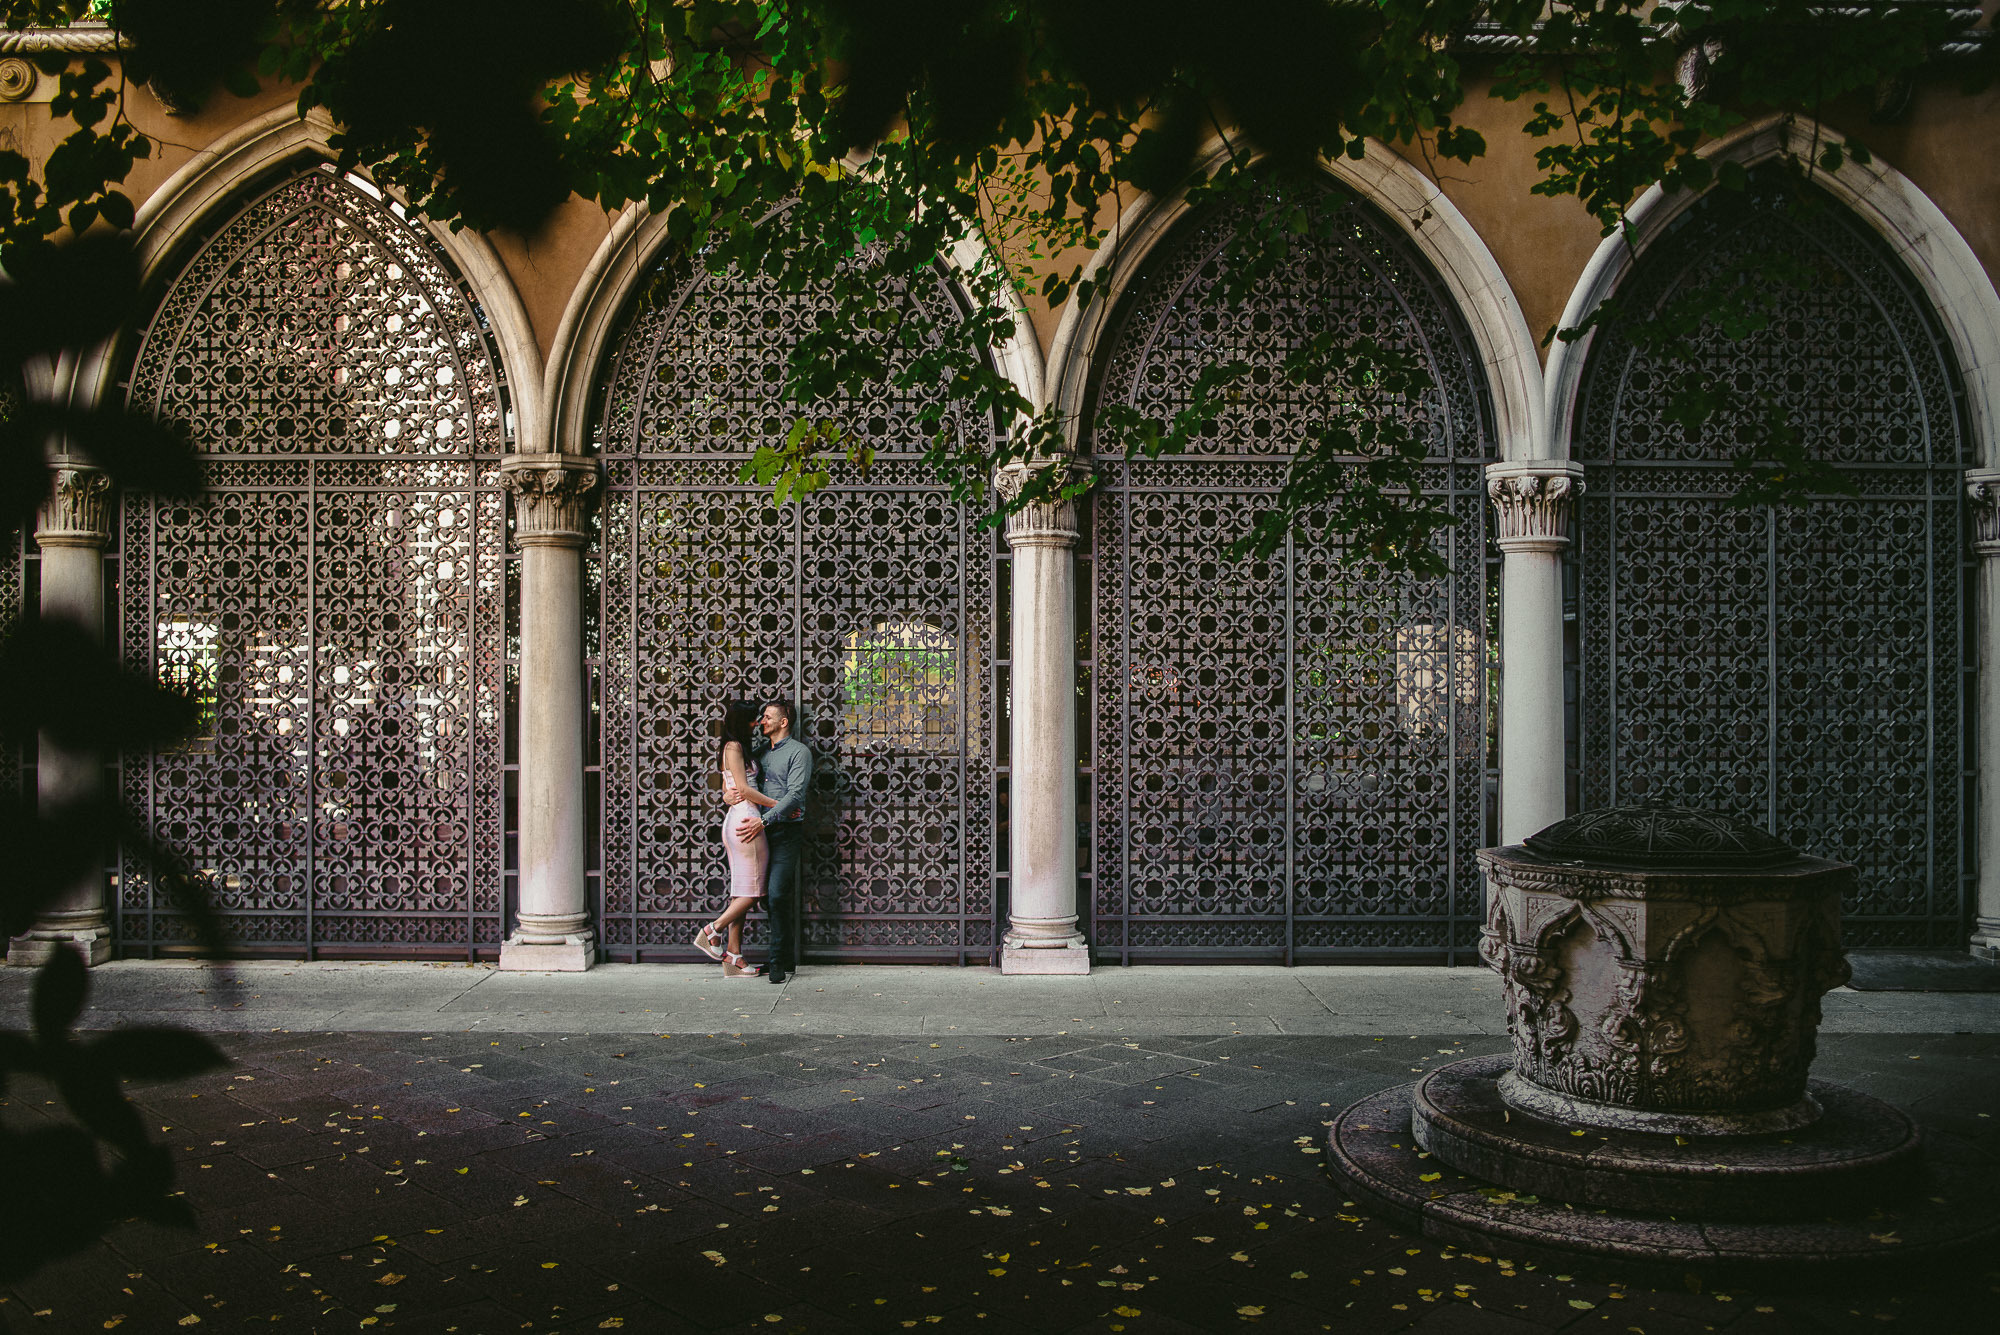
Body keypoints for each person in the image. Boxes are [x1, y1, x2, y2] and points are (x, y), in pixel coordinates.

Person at [729, 698, 812, 985]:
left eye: (767, 717)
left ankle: (777, 961)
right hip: (757, 832)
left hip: (784, 831)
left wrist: (765, 819)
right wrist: (726, 796)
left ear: (783, 722)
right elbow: (739, 783)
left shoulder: (799, 753)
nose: (762, 721)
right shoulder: (759, 752)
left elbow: (795, 796)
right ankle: (749, 955)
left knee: (776, 893)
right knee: (754, 893)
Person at [695, 701, 777, 977]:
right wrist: (778, 806)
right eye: (753, 720)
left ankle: (733, 956)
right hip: (746, 819)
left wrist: (725, 795)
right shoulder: (733, 747)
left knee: (742, 891)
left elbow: (727, 786)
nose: (757, 724)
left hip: (740, 815)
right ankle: (712, 931)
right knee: (755, 891)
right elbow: (741, 787)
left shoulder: (738, 747)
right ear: (742, 722)